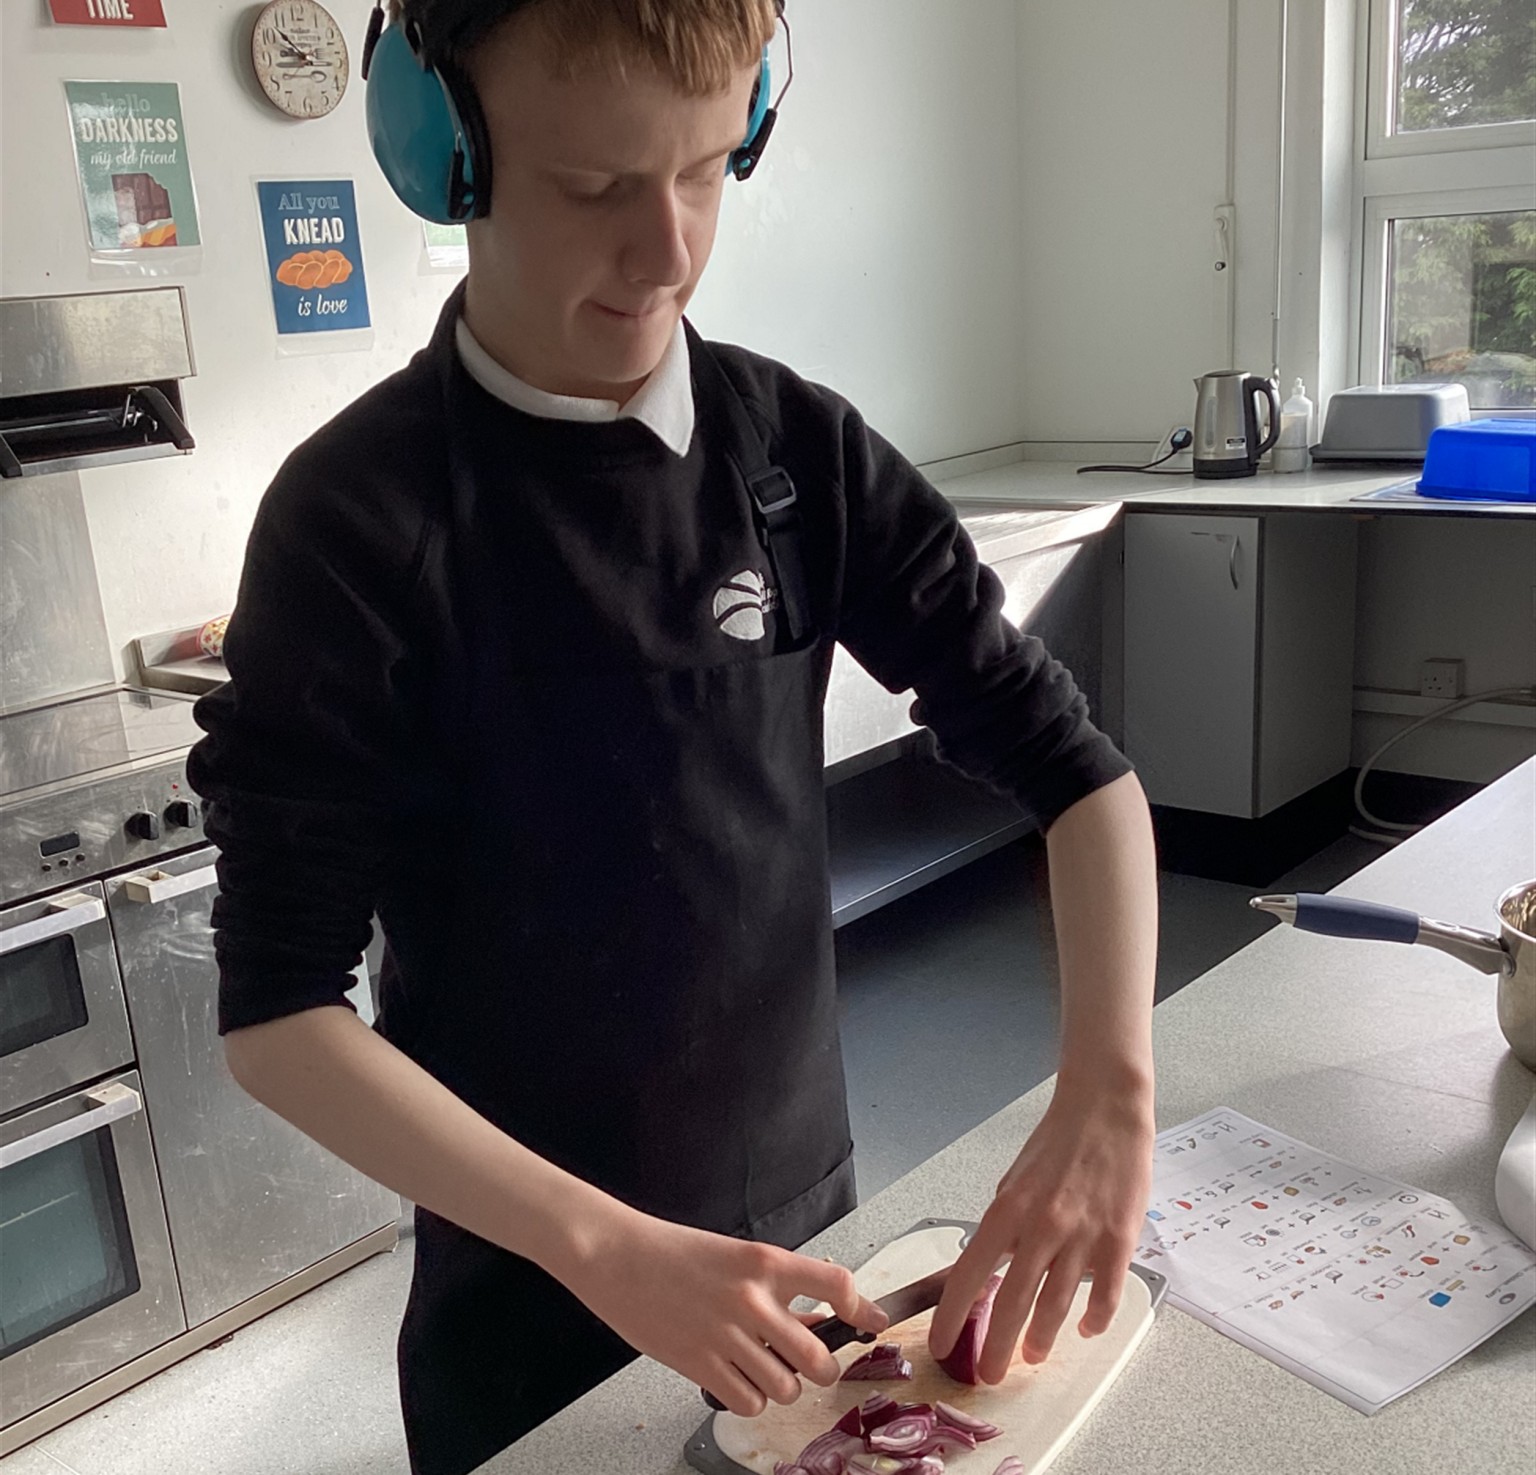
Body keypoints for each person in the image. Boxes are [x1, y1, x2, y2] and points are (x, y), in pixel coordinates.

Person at [187, 2, 1159, 1472]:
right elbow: (279, 1019)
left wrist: (1110, 1087)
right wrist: (603, 1245)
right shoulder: (357, 521)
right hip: (528, 1298)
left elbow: (1077, 774)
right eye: (594, 187)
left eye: (706, 172)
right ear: (446, 152)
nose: (668, 251)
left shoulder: (798, 455)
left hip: (804, 1244)